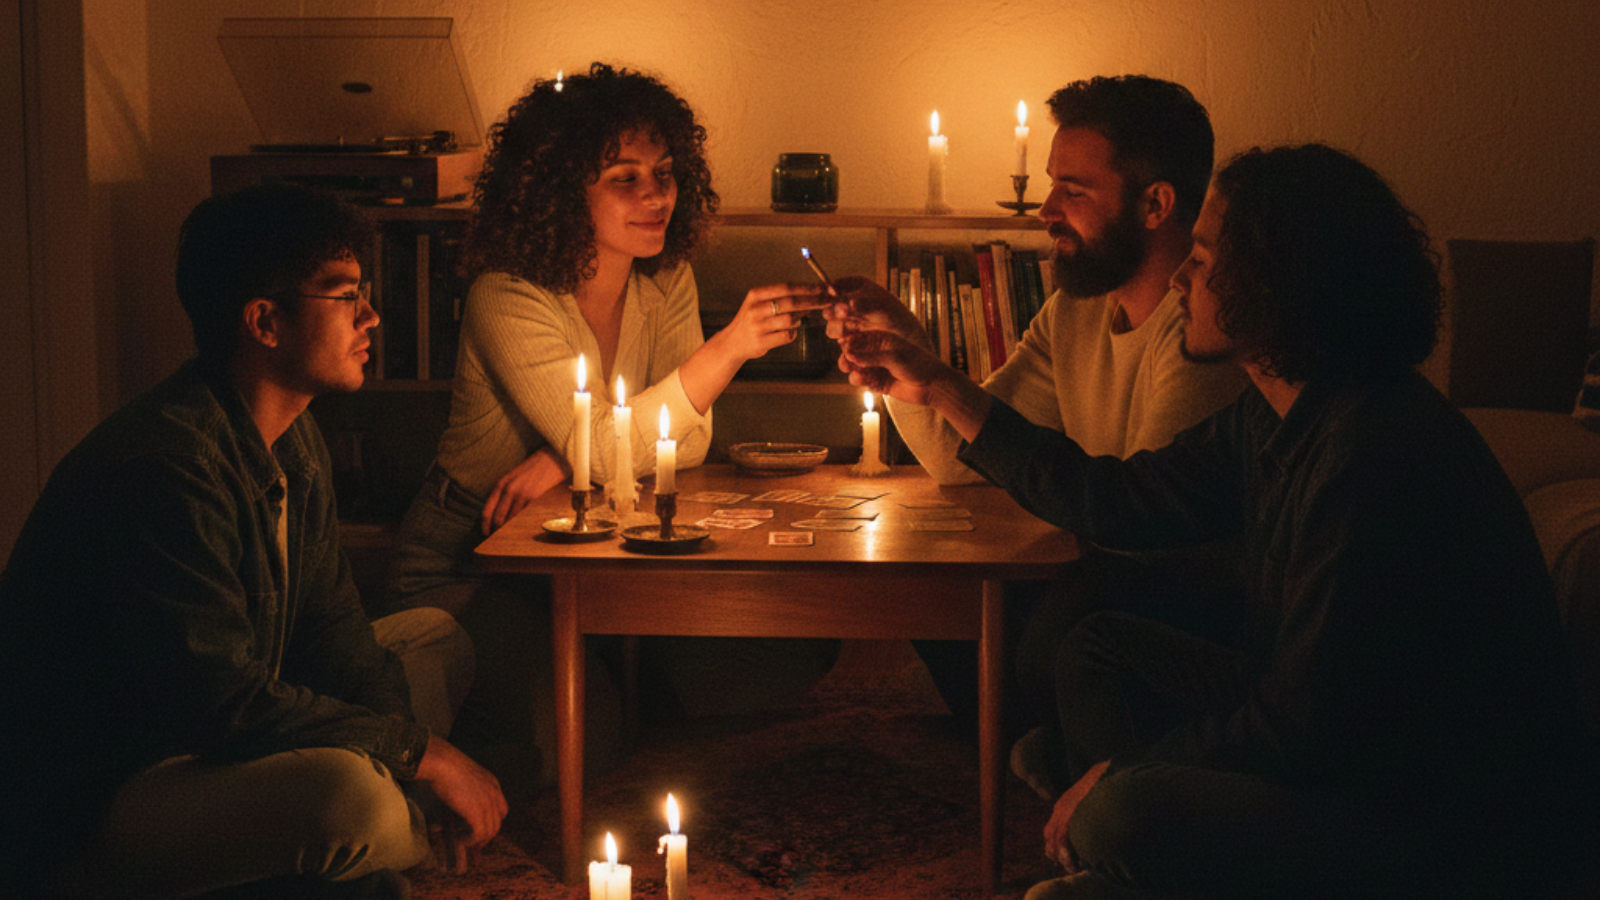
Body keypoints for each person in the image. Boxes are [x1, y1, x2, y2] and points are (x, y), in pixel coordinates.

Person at [838, 143, 1599, 898]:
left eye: (1200, 259)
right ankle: (1128, 853)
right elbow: (1118, 499)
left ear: (1277, 280)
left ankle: (1117, 836)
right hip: (1323, 740)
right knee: (1097, 647)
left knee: (1124, 809)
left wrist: (1131, 774)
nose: (1178, 277)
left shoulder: (1375, 453)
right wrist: (937, 384)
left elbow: (1305, 726)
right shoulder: (1276, 410)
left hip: (1430, 821)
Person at [0, 182, 507, 900]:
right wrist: (421, 758)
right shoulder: (167, 467)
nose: (372, 317)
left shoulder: (294, 439)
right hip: (111, 789)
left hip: (216, 746)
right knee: (352, 803)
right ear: (265, 322)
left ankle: (342, 855)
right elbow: (219, 702)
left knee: (434, 637)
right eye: (345, 296)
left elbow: (335, 635)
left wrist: (414, 757)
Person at [383, 63, 837, 782]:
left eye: (665, 172)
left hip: (601, 547)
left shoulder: (665, 279)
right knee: (585, 739)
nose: (656, 195)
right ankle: (461, 727)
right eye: (625, 177)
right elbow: (635, 437)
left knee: (794, 645)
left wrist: (571, 459)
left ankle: (598, 674)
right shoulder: (508, 293)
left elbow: (687, 445)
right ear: (565, 191)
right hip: (476, 560)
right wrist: (725, 351)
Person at [824, 75, 1248, 775]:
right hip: (1103, 563)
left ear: (1156, 204)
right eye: (1050, 185)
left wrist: (941, 383)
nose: (1046, 210)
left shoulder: (1202, 333)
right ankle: (1035, 749)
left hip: (1184, 600)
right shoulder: (1075, 309)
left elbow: (1137, 521)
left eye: (1074, 190)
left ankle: (1087, 768)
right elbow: (963, 460)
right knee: (936, 585)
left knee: (1066, 615)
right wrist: (905, 356)